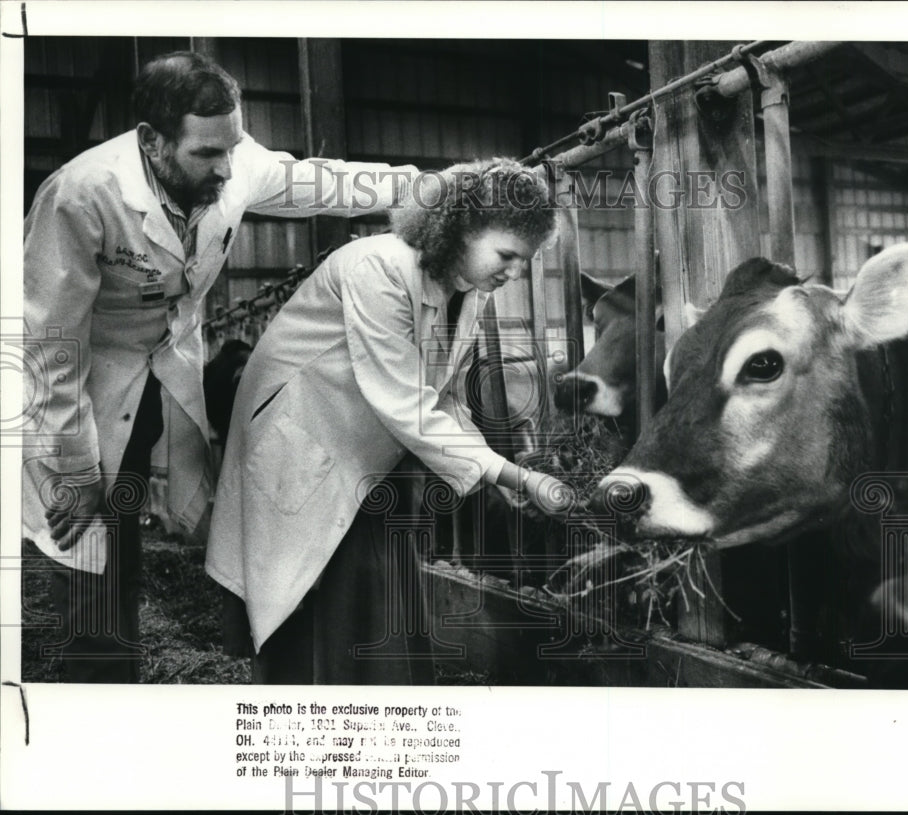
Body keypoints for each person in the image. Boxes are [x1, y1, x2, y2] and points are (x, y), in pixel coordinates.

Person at [21, 50, 416, 683]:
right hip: (84, 380)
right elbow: (50, 341)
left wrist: (435, 186)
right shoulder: (81, 194)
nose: (227, 168)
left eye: (232, 147)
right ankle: (98, 693)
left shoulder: (233, 162)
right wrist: (73, 464)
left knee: (183, 505)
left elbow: (328, 183)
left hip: (168, 363)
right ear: (152, 142)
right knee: (91, 542)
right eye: (207, 154)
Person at [205, 158, 571, 684]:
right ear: (462, 228)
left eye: (525, 260)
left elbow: (444, 399)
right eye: (508, 254)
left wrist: (493, 470)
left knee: (371, 595)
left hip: (365, 446)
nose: (515, 272)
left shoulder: (466, 293)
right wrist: (513, 476)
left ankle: (374, 705)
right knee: (311, 598)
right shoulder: (376, 268)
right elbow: (405, 402)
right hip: (306, 441)